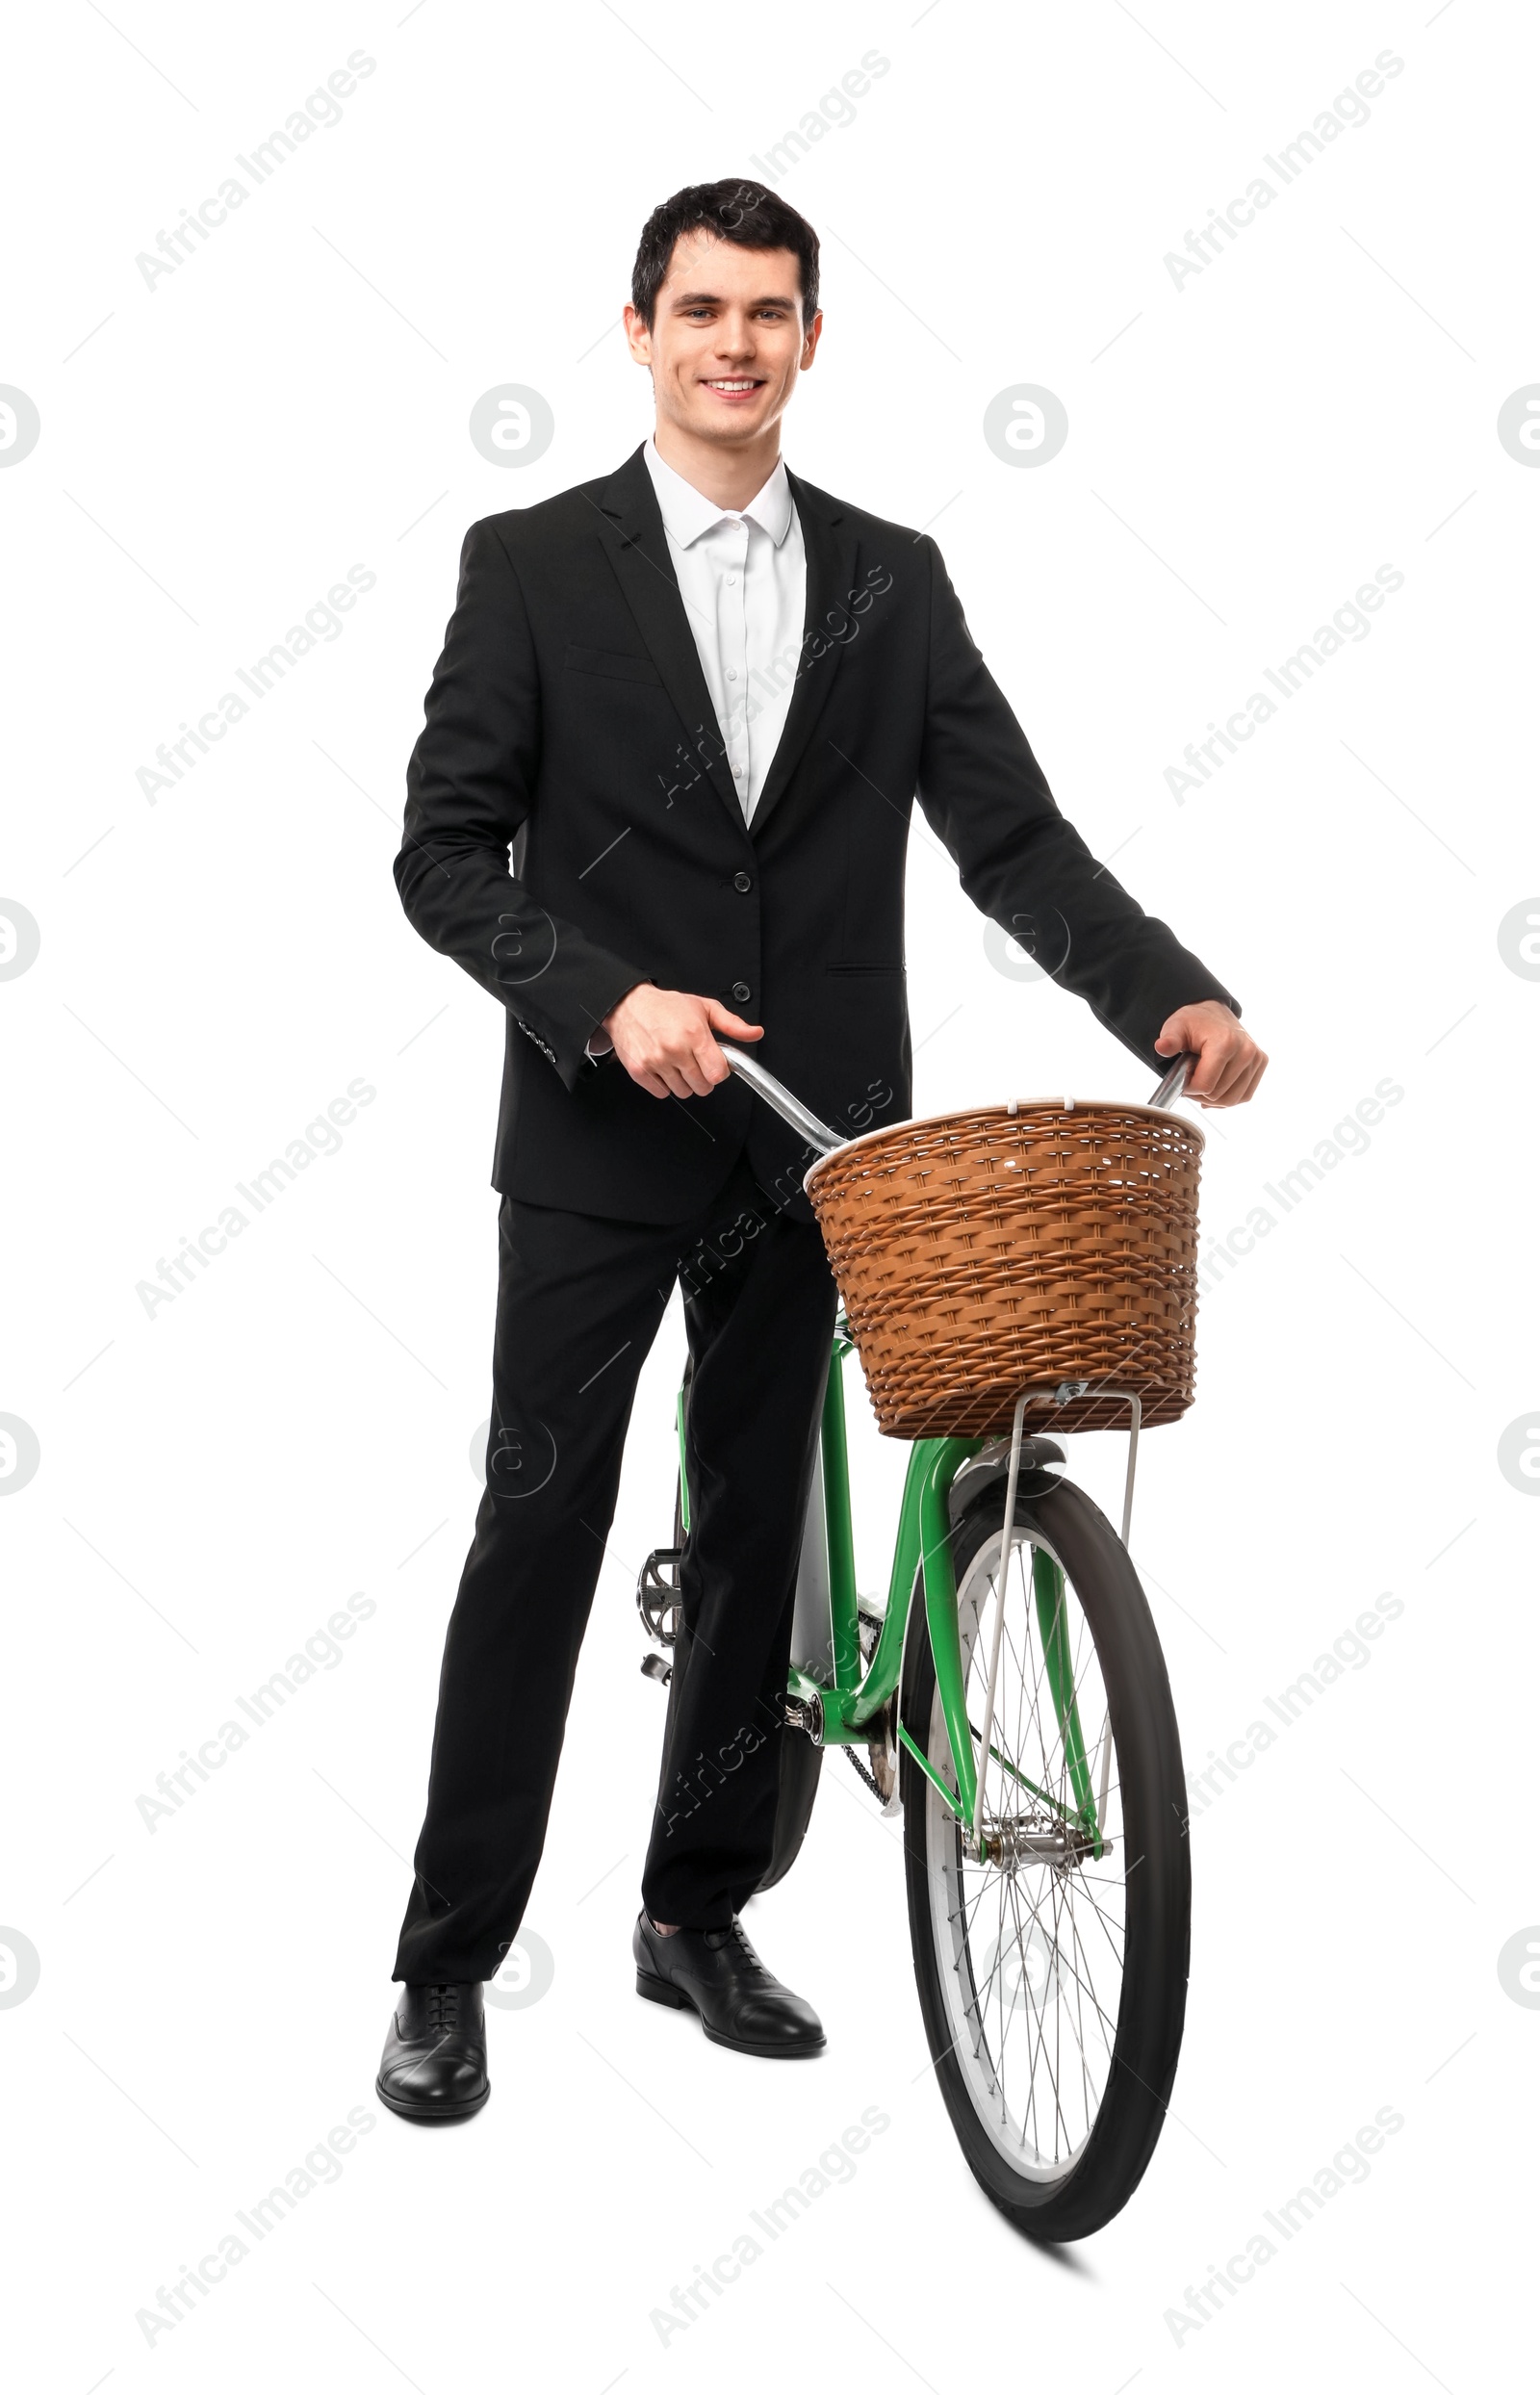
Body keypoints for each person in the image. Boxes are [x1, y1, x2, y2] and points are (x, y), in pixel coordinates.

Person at [376, 178, 1268, 2123]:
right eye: (698, 310)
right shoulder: (530, 565)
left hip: (820, 1143)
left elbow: (1011, 844)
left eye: (767, 313)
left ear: (808, 341)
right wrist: (604, 997)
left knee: (763, 1522)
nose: (732, 344)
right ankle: (445, 1959)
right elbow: (443, 855)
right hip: (601, 1144)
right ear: (635, 331)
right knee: (541, 1525)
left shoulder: (891, 574)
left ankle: (692, 1913)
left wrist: (1168, 1000)